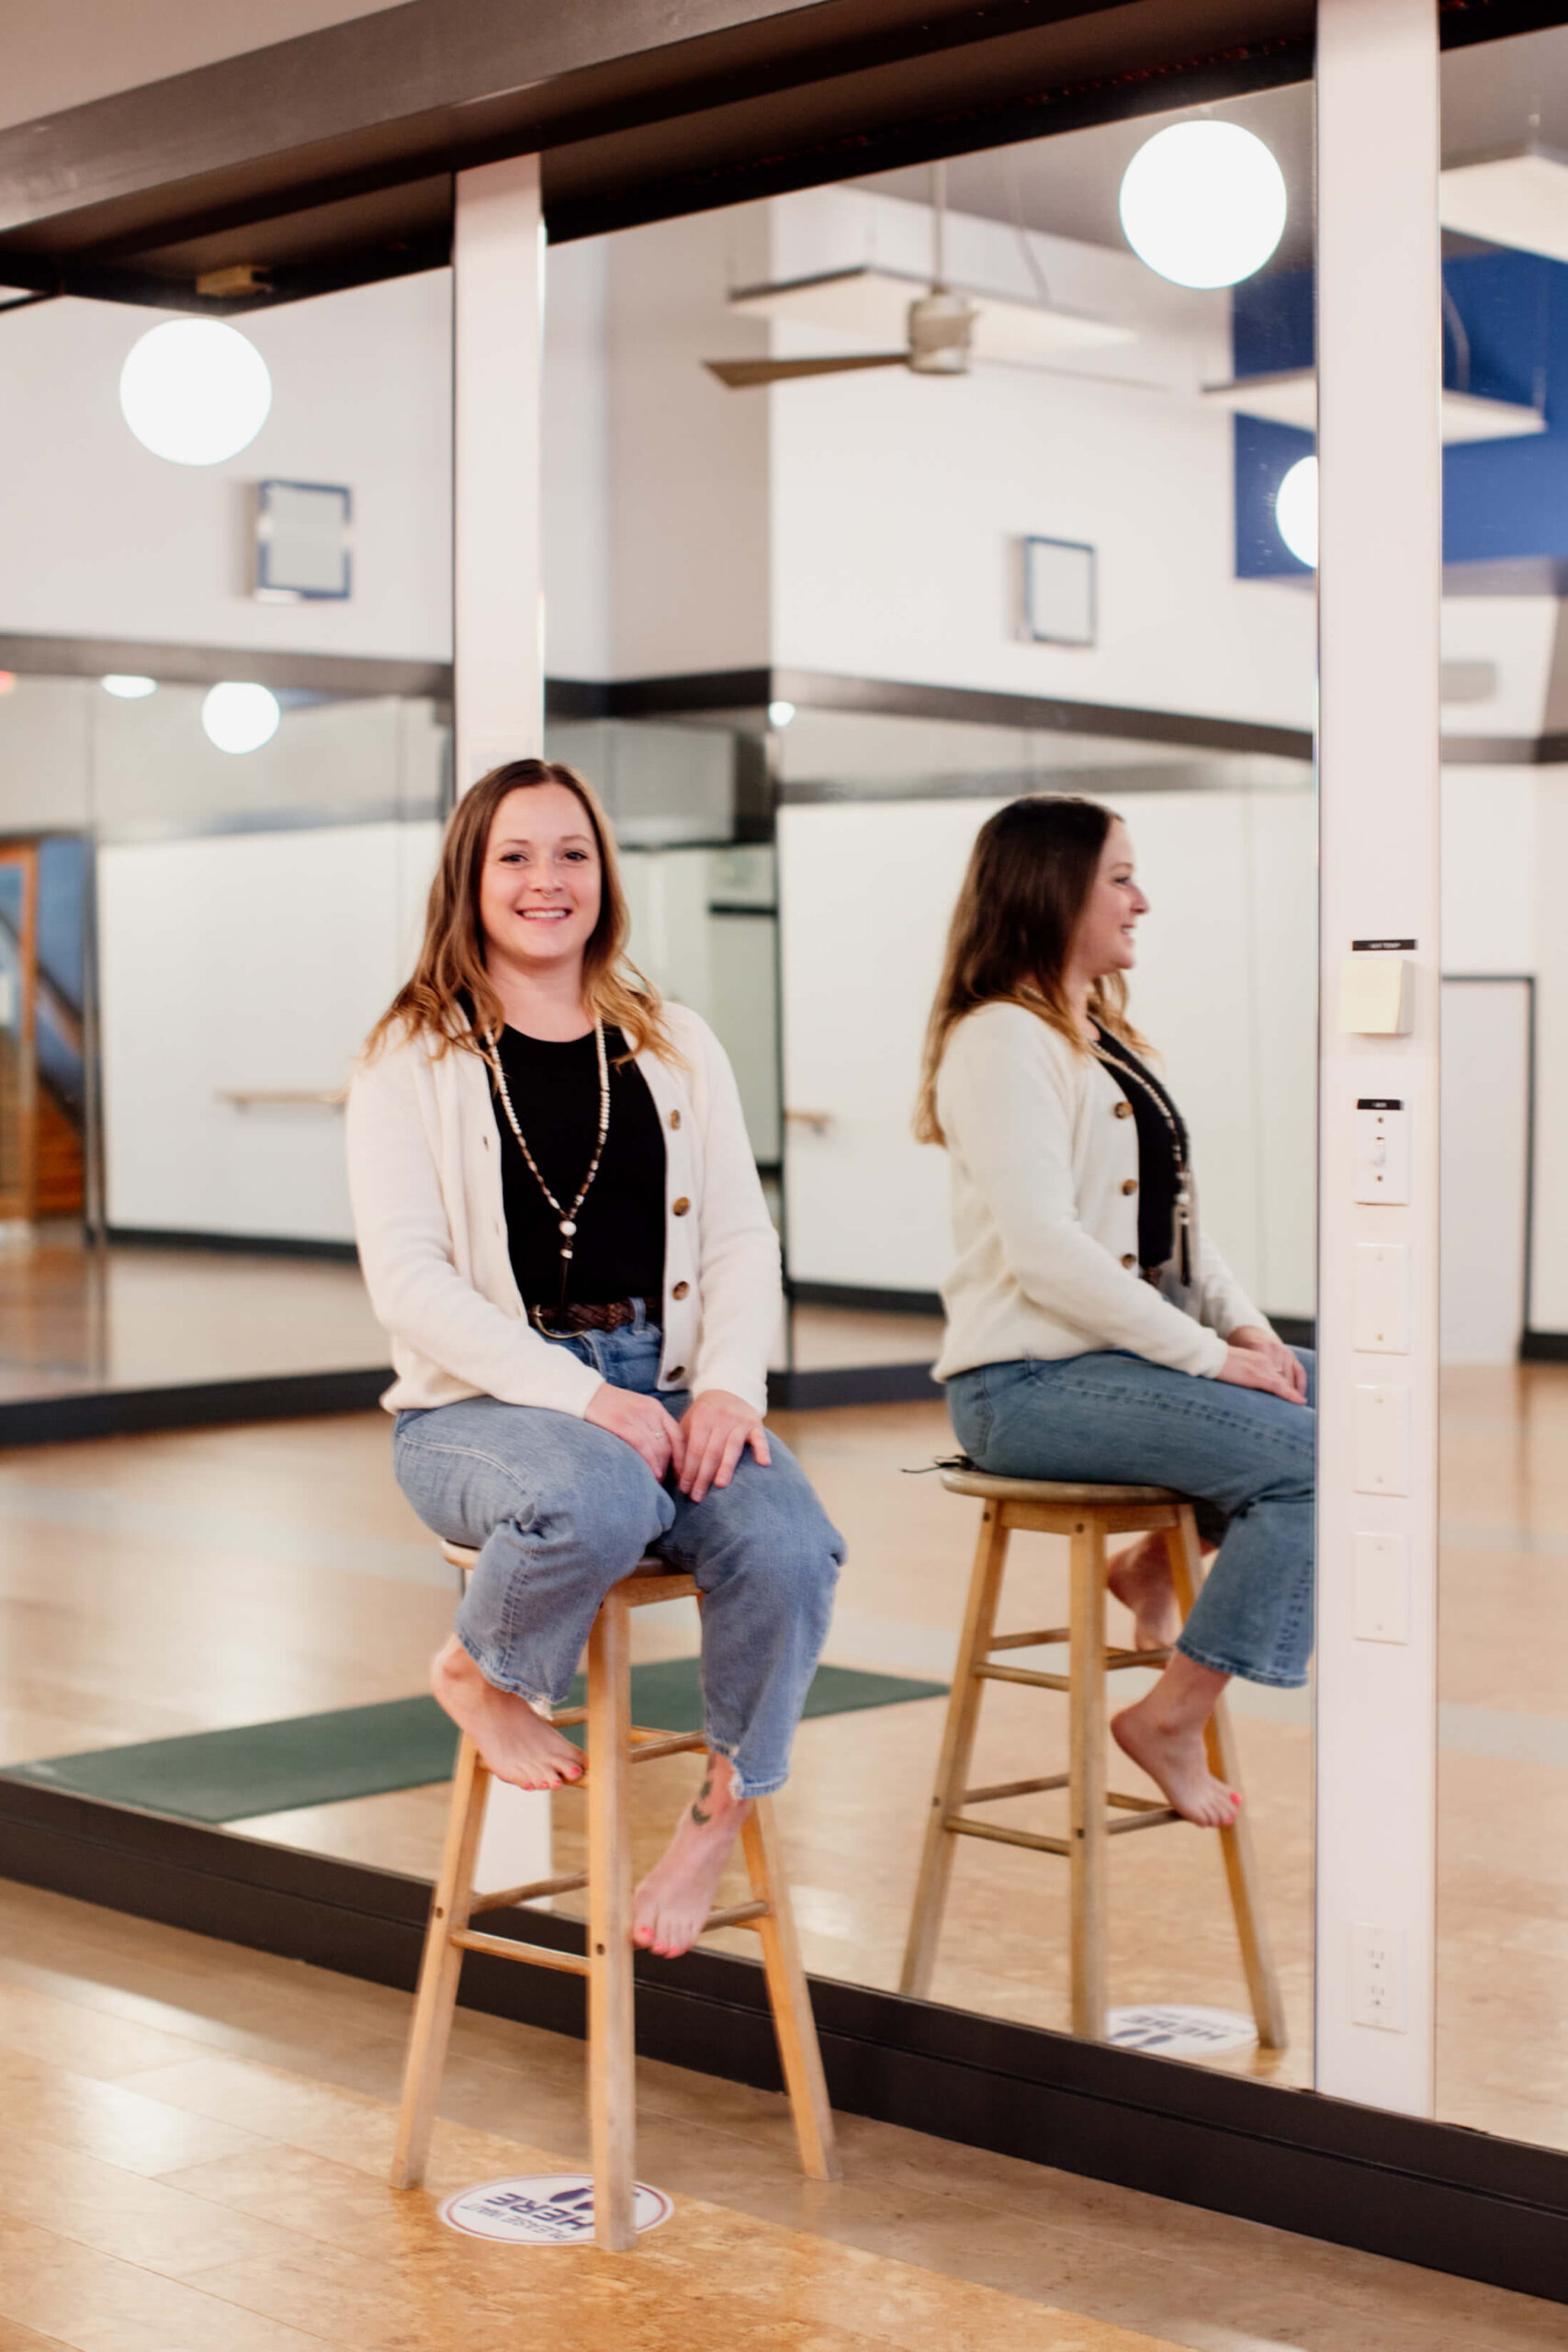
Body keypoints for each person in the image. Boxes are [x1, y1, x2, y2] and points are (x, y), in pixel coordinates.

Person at [348, 757, 843, 1957]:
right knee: (598, 1491)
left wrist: (727, 1383)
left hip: (668, 1385)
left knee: (789, 1547)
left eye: (570, 852)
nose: (545, 880)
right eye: (513, 855)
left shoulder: (671, 1041)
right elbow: (408, 1283)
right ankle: (482, 1673)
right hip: (478, 1412)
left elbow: (738, 1236)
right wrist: (583, 1398)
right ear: (469, 877)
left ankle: (715, 1817)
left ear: (603, 874)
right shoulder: (408, 1057)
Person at [915, 793, 1313, 1828]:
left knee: (1358, 1399)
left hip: (1116, 1366)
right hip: (1027, 1385)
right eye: (1120, 878)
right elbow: (1048, 1252)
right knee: (1314, 1462)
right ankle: (1170, 1716)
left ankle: (1145, 1567)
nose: (1143, 900)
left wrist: (1247, 1329)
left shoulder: (1105, 1035)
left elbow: (1180, 1228)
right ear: (1054, 893)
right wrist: (1206, 1360)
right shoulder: (1001, 1039)